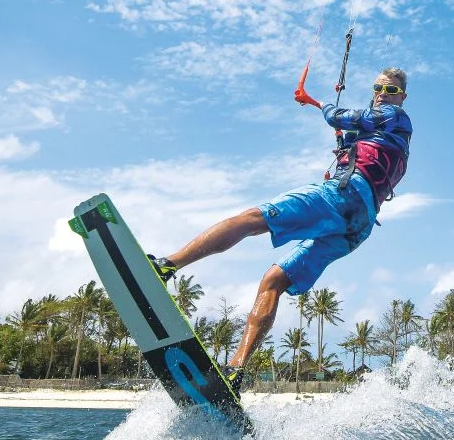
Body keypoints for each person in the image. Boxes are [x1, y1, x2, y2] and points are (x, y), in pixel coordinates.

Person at [150, 66, 412, 393]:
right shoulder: (390, 136)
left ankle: (165, 265)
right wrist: (347, 149)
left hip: (347, 197)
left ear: (401, 96)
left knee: (252, 219)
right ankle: (235, 371)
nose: (382, 94)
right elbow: (366, 150)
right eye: (378, 88)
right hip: (357, 228)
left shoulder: (393, 117)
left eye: (390, 90)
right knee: (273, 280)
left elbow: (338, 116)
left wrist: (318, 104)